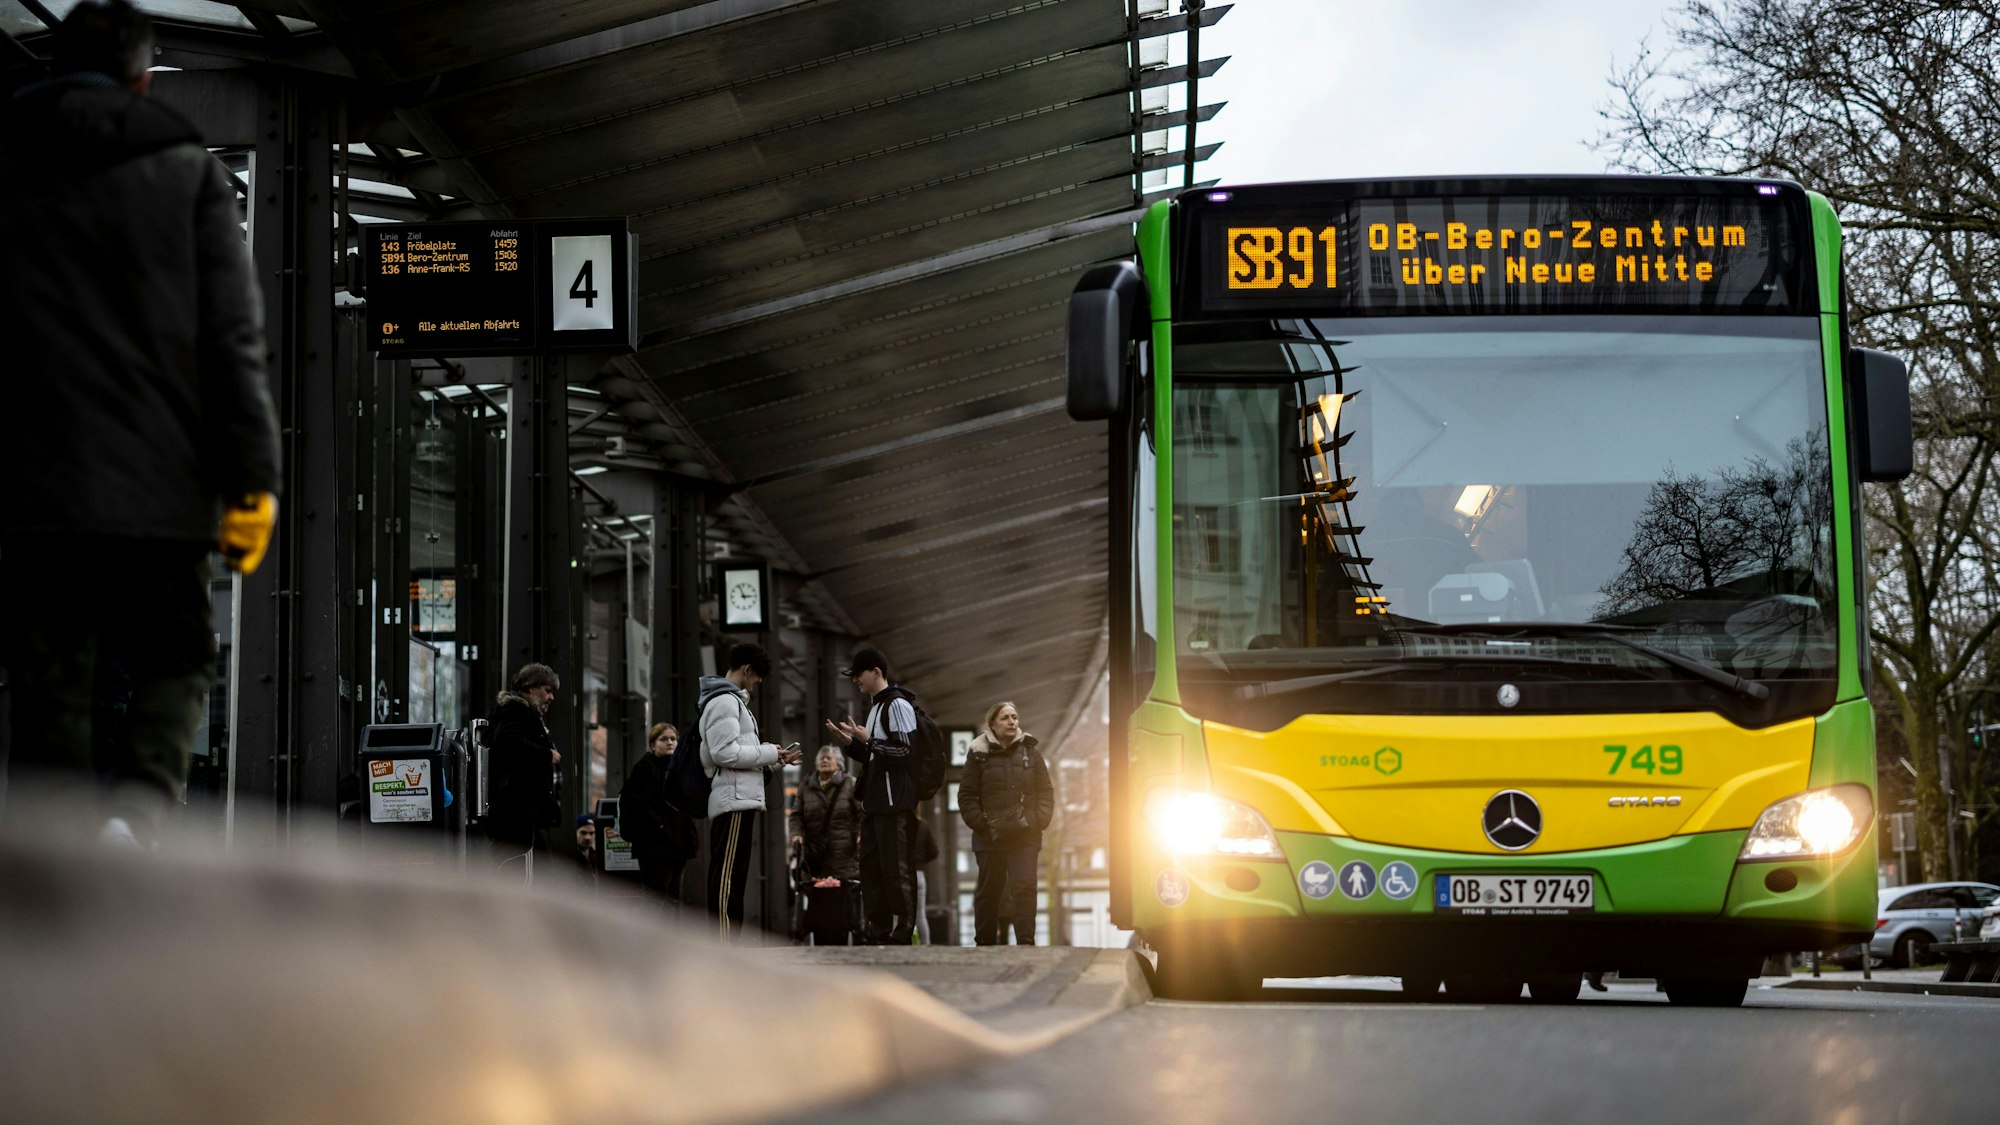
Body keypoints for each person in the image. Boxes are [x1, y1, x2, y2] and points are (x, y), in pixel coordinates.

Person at [0, 0, 281, 847]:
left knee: (51, 672)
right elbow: (232, 340)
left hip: (35, 479)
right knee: (177, 654)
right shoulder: (186, 166)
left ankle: (51, 860)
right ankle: (134, 819)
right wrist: (251, 479)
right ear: (144, 75)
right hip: (163, 479)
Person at [700, 642, 801, 941]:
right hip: (732, 801)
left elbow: (737, 757)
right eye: (757, 678)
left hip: (739, 798)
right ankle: (722, 942)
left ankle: (728, 939)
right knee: (726, 877)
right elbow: (723, 753)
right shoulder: (725, 702)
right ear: (746, 670)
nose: (757, 685)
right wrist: (769, 752)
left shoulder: (731, 702)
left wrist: (777, 759)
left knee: (733, 876)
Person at [824, 647, 918, 945]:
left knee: (895, 870)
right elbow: (876, 756)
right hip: (875, 803)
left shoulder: (897, 705)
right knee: (872, 869)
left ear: (876, 672)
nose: (855, 682)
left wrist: (871, 741)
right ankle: (878, 931)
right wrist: (852, 745)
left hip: (894, 803)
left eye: (858, 675)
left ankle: (902, 931)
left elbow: (905, 752)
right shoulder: (877, 706)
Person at [958, 700, 1054, 945]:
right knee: (989, 892)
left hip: (1025, 836)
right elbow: (967, 795)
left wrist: (1036, 821)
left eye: (1014, 717)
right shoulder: (978, 754)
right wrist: (982, 825)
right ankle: (985, 943)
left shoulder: (1030, 752)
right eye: (1005, 718)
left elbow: (1045, 791)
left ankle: (1025, 942)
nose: (1012, 721)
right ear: (992, 724)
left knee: (1025, 888)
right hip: (989, 837)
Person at [484, 664, 562, 880]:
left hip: (521, 812)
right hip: (515, 812)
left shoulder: (516, 713)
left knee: (540, 870)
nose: (551, 697)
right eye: (547, 690)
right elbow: (507, 742)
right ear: (530, 687)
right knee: (517, 871)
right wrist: (546, 754)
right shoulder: (516, 712)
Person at [619, 721, 700, 905]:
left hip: (678, 842)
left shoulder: (680, 769)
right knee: (655, 899)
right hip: (656, 844)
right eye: (663, 739)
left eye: (673, 739)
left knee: (672, 898)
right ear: (653, 744)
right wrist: (660, 827)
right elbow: (637, 805)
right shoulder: (644, 769)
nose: (670, 742)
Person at [790, 745, 861, 945]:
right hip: (816, 857)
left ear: (839, 763)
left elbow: (863, 814)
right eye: (821, 758)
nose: (824, 761)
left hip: (843, 855)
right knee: (819, 903)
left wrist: (861, 836)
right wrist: (796, 835)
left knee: (840, 903)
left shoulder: (850, 784)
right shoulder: (806, 786)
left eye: (828, 758)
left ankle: (843, 942)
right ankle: (820, 943)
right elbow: (796, 815)